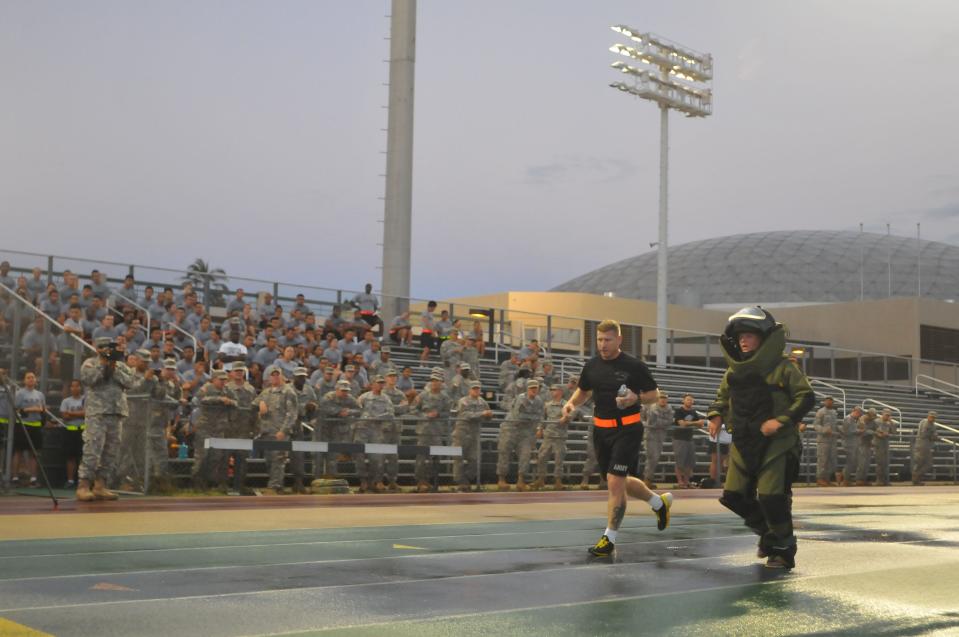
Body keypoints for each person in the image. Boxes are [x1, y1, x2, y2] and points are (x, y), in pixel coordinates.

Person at [707, 307, 814, 569]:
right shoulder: (733, 371)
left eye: (750, 335)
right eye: (741, 336)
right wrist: (715, 415)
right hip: (743, 442)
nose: (743, 340)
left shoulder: (784, 368)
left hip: (777, 444)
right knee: (733, 496)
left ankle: (784, 548)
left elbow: (806, 397)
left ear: (764, 338)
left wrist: (781, 421)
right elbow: (721, 398)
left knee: (771, 497)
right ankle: (769, 534)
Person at [563, 320, 672, 557]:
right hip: (601, 431)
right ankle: (658, 503)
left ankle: (609, 538)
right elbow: (583, 391)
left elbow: (654, 394)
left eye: (608, 340)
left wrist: (636, 399)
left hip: (628, 429)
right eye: (600, 340)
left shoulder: (634, 366)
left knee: (614, 481)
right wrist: (571, 404)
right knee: (618, 480)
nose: (603, 345)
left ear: (619, 340)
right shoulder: (591, 366)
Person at [77, 337, 136, 501]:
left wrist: (113, 366)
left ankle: (100, 486)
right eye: (105, 348)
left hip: (116, 413)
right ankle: (83, 486)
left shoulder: (121, 366)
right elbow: (89, 379)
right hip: (98, 413)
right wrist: (104, 365)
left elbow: (131, 382)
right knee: (93, 449)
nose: (108, 351)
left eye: (111, 348)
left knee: (111, 452)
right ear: (98, 349)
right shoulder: (90, 363)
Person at [255, 365, 298, 494]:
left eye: (277, 374)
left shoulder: (288, 391)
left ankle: (275, 486)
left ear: (282, 376)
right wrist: (260, 404)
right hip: (266, 431)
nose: (275, 377)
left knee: (278, 459)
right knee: (269, 459)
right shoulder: (266, 392)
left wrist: (284, 431)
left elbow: (292, 414)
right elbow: (254, 404)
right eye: (272, 375)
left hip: (280, 432)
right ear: (269, 377)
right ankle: (274, 484)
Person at [192, 370, 237, 491]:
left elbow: (236, 402)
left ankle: (210, 483)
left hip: (219, 429)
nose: (223, 382)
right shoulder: (207, 388)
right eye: (221, 379)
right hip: (205, 428)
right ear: (214, 379)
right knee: (202, 456)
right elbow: (198, 400)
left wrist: (229, 401)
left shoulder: (228, 390)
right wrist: (219, 399)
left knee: (215, 457)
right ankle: (197, 483)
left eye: (225, 379)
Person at [496, 379, 545, 492]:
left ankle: (521, 481)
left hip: (525, 431)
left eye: (535, 388)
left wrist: (539, 427)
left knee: (525, 455)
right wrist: (533, 418)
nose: (533, 390)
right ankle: (501, 480)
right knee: (504, 453)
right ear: (527, 389)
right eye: (531, 388)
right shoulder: (520, 398)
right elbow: (519, 416)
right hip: (510, 428)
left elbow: (541, 417)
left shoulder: (539, 401)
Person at [411, 371, 452, 492]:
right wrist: (424, 415)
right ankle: (420, 481)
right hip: (424, 430)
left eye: (437, 381)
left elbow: (448, 413)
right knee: (421, 457)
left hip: (437, 431)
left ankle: (433, 482)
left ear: (441, 383)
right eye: (433, 380)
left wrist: (438, 414)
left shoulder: (445, 398)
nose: (434, 383)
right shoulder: (422, 395)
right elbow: (413, 409)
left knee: (436, 458)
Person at [450, 380, 492, 492]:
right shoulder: (463, 401)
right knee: (458, 458)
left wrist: (488, 415)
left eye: (478, 388)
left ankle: (467, 479)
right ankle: (460, 482)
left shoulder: (482, 402)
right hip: (461, 433)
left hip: (474, 434)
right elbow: (465, 414)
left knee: (475, 459)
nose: (476, 390)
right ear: (470, 390)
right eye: (474, 388)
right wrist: (482, 414)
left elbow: (488, 414)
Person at [356, 376, 394, 492]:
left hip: (377, 431)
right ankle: (363, 481)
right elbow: (356, 409)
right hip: (362, 429)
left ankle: (376, 481)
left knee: (377, 457)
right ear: (372, 384)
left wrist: (377, 418)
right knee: (360, 456)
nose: (380, 385)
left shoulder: (386, 398)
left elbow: (391, 414)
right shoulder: (364, 397)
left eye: (382, 383)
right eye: (378, 383)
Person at [532, 384, 571, 490]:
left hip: (559, 436)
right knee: (542, 457)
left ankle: (558, 481)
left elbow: (571, 416)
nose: (552, 391)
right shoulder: (547, 405)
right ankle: (541, 480)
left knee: (559, 460)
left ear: (560, 391)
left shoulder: (566, 405)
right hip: (548, 435)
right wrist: (540, 429)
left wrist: (566, 417)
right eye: (551, 390)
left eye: (554, 390)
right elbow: (543, 418)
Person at [12, 371, 46, 487]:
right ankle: (15, 477)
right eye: (28, 378)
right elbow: (16, 410)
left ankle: (33, 478)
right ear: (24, 380)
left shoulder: (40, 394)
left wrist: (42, 419)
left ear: (36, 380)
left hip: (36, 426)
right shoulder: (20, 394)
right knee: (18, 451)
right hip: (23, 425)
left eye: (32, 377)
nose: (31, 379)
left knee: (34, 453)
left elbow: (42, 409)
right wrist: (31, 409)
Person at [641, 392, 672, 488]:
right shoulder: (649, 407)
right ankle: (646, 479)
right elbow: (641, 418)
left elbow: (669, 421)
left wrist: (658, 423)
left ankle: (648, 479)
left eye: (664, 398)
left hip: (660, 436)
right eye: (661, 398)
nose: (663, 400)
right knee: (651, 457)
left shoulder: (669, 409)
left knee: (656, 458)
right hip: (650, 434)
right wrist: (646, 424)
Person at [672, 394, 703, 489]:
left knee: (689, 462)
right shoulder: (679, 411)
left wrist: (691, 423)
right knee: (680, 461)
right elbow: (682, 424)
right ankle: (680, 482)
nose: (690, 401)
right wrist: (694, 423)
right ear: (683, 401)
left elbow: (701, 424)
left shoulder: (693, 412)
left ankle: (686, 481)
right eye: (688, 400)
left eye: (691, 400)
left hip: (689, 438)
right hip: (679, 438)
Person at [59, 379, 86, 489]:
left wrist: (71, 413)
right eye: (73, 386)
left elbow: (86, 413)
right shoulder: (66, 401)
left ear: (81, 387)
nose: (75, 388)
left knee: (82, 456)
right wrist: (79, 414)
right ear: (70, 388)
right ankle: (70, 480)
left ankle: (82, 480)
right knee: (71, 457)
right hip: (69, 431)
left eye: (77, 386)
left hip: (83, 431)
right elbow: (64, 416)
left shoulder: (85, 399)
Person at [813, 396, 840, 486]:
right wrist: (824, 430)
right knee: (822, 460)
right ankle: (820, 478)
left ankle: (827, 479)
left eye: (831, 401)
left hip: (832, 440)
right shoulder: (820, 412)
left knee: (830, 460)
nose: (829, 403)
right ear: (824, 402)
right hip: (823, 440)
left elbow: (835, 425)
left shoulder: (834, 412)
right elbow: (816, 425)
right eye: (827, 401)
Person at [911, 411, 938, 485]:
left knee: (928, 463)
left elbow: (935, 435)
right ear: (928, 416)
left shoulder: (933, 425)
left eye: (934, 417)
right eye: (931, 417)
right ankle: (916, 478)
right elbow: (924, 434)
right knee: (920, 462)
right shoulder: (924, 422)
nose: (932, 419)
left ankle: (917, 477)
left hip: (927, 446)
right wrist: (932, 436)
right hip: (921, 445)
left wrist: (933, 436)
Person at [838, 406, 862, 486]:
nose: (859, 416)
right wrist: (858, 431)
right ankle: (845, 480)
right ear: (855, 412)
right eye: (859, 414)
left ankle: (843, 477)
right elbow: (846, 432)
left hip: (853, 443)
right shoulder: (847, 419)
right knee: (850, 462)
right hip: (848, 444)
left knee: (852, 462)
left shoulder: (853, 420)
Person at [873, 409, 897, 486]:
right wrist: (879, 434)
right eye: (886, 415)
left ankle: (886, 480)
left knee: (886, 463)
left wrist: (892, 423)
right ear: (882, 414)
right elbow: (873, 430)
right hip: (878, 443)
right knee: (880, 463)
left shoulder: (889, 423)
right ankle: (879, 480)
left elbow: (894, 432)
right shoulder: (876, 421)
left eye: (889, 415)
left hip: (885, 443)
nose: (887, 417)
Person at [855, 408, 879, 486]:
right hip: (861, 443)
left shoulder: (873, 422)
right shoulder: (861, 420)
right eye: (872, 416)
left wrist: (877, 433)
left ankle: (863, 479)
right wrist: (874, 432)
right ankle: (859, 479)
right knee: (862, 462)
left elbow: (877, 429)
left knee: (867, 463)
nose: (873, 418)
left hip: (868, 444)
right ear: (868, 414)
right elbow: (863, 431)